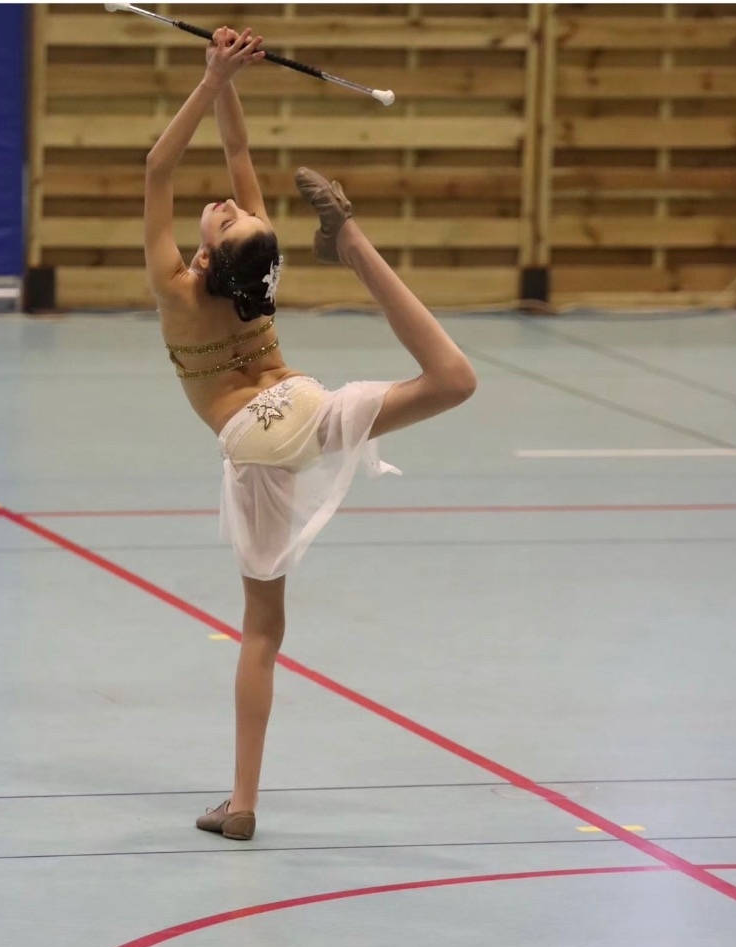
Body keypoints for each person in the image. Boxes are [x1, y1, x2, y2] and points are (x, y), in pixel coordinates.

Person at [144, 27, 477, 841]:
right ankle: (353, 249)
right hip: (300, 404)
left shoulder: (177, 289)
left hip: (255, 440)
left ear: (207, 258)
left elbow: (158, 168)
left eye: (226, 217)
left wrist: (210, 79)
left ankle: (242, 804)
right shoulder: (256, 265)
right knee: (451, 381)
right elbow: (236, 149)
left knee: (261, 630)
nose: (227, 206)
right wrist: (225, 73)